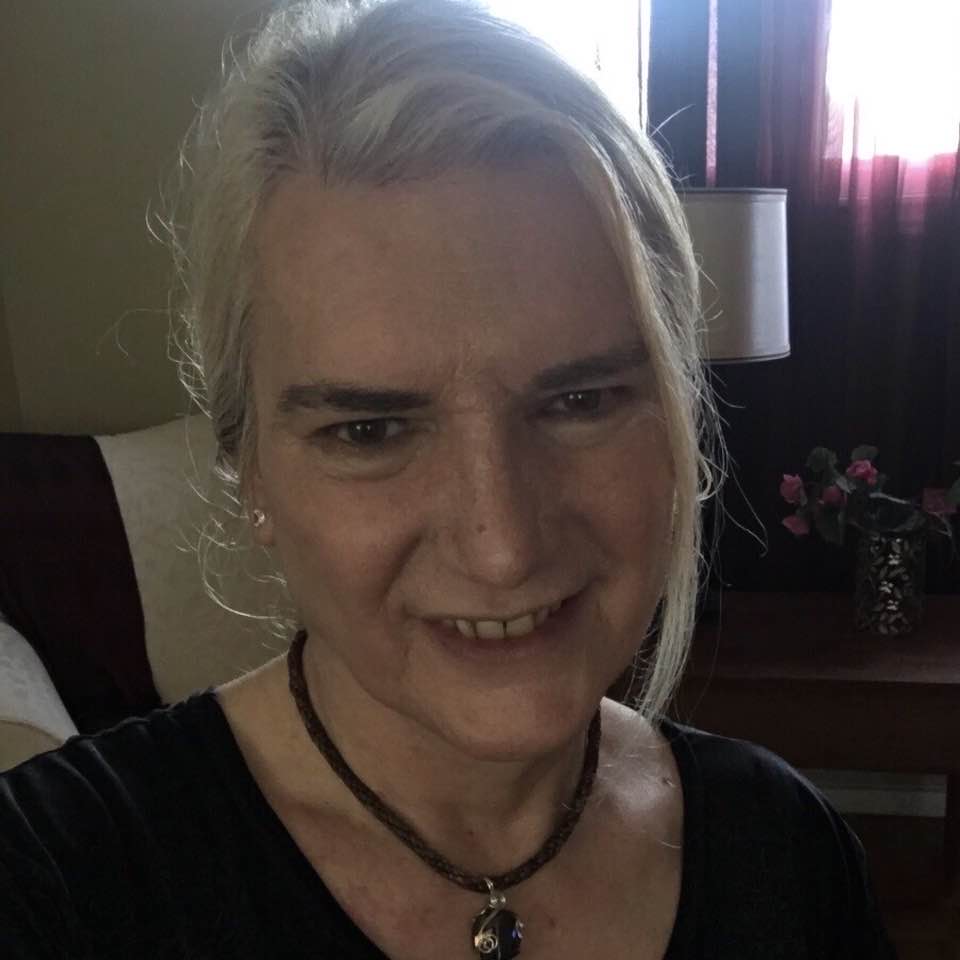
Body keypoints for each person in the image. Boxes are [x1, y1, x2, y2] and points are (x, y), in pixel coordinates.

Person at [0, 1, 895, 957]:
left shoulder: (785, 852)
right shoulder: (55, 880)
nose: (501, 545)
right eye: (371, 430)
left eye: (580, 402)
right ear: (250, 471)